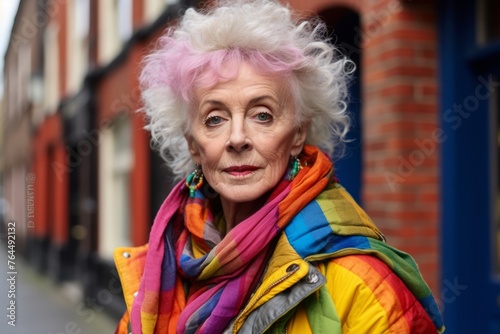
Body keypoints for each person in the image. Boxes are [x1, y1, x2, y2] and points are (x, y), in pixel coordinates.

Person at [114, 0, 445, 333]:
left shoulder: (363, 284)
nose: (238, 138)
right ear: (193, 144)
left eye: (262, 115)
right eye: (214, 119)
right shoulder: (157, 273)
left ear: (298, 134)